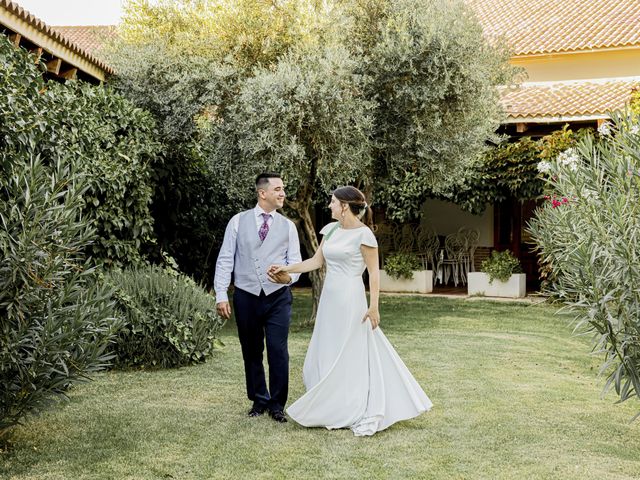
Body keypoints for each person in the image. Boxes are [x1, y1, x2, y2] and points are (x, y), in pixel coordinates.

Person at [268, 186, 432, 436]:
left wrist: (374, 306)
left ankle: (350, 405)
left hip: (350, 298)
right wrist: (287, 269)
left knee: (348, 350)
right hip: (329, 299)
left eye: (333, 202)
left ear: (344, 206)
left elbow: (374, 273)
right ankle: (328, 402)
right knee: (327, 348)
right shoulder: (330, 230)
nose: (330, 206)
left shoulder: (365, 235)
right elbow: (316, 262)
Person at [214, 173, 302, 423]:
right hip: (246, 295)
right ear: (262, 193)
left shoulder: (288, 226)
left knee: (278, 350)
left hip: (278, 298)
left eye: (283, 188)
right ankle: (258, 399)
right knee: (251, 350)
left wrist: (289, 279)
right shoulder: (238, 222)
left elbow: (295, 262)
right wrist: (221, 294)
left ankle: (277, 404)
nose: (283, 193)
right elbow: (225, 259)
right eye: (278, 189)